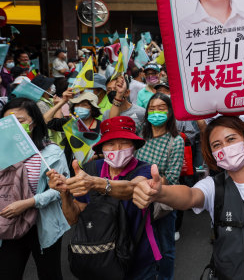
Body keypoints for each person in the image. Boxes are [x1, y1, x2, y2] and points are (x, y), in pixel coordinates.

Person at [133, 115, 244, 279]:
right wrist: (161, 193)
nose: (225, 148)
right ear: (211, 153)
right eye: (217, 145)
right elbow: (190, 196)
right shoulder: (212, 186)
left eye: (231, 139)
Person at [47, 116, 161, 279]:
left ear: (134, 146)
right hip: (100, 254)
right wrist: (64, 193)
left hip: (138, 255)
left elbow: (131, 189)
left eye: (124, 142)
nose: (117, 148)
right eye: (111, 143)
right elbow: (73, 218)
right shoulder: (91, 169)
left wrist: (95, 183)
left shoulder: (146, 169)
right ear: (102, 148)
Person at [0, 98, 70, 280]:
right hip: (10, 222)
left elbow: (61, 188)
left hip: (43, 224)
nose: (14, 125)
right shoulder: (2, 152)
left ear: (34, 122)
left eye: (20, 120)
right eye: (9, 121)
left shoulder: (51, 152)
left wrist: (29, 202)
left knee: (50, 274)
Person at [135, 93, 184, 280]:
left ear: (170, 112)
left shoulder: (176, 141)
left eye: (161, 108)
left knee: (165, 248)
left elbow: (171, 177)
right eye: (152, 108)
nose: (156, 112)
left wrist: (141, 181)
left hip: (162, 202)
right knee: (141, 245)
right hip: (138, 199)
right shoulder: (140, 133)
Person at [45, 91, 102, 174]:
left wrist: (96, 157)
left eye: (84, 105)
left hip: (94, 172)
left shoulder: (102, 127)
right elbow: (46, 120)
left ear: (93, 109)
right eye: (77, 105)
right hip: (71, 171)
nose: (79, 107)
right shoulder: (70, 123)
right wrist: (62, 102)